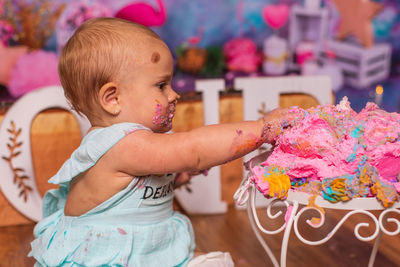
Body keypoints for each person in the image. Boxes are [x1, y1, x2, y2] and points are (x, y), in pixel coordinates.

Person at [29, 17, 294, 266]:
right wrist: (262, 128)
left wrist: (177, 177)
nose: (174, 94)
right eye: (161, 86)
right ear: (113, 99)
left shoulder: (143, 144)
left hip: (146, 246)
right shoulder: (121, 144)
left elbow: (141, 185)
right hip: (107, 256)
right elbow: (194, 150)